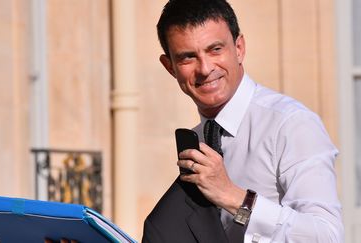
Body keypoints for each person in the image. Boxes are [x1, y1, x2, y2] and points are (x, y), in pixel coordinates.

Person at [142, 0, 344, 242]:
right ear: (170, 67)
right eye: (188, 57)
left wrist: (234, 197)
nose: (205, 68)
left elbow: (327, 235)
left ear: (239, 48)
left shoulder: (290, 124)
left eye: (215, 49)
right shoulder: (198, 140)